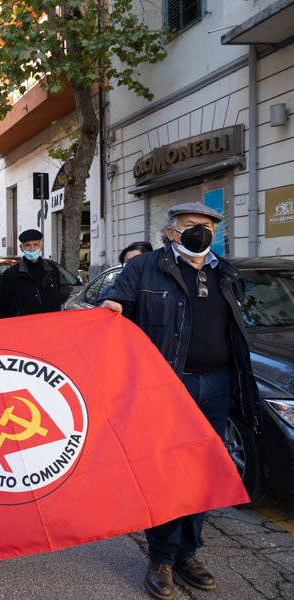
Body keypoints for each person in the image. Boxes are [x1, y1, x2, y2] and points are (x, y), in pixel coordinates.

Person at [99, 203, 259, 600]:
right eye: (190, 226)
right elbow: (115, 302)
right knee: (167, 473)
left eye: (207, 227)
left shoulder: (227, 273)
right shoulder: (144, 268)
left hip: (217, 385)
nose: (199, 233)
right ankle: (162, 557)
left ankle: (188, 553)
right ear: (170, 232)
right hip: (167, 387)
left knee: (202, 473)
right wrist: (114, 308)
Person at [0, 229, 62, 318]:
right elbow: (4, 305)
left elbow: (57, 297)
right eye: (27, 246)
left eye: (35, 245)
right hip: (24, 327)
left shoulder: (52, 270)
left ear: (41, 246)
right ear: (21, 248)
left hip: (50, 324)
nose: (32, 249)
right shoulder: (12, 274)